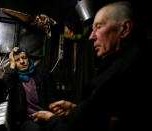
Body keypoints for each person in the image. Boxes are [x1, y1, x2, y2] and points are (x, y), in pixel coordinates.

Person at [32, 1, 151, 131]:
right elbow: (98, 113)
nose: (91, 37)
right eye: (92, 29)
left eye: (99, 27)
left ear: (125, 28)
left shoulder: (122, 71)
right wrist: (74, 109)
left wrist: (51, 119)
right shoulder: (120, 63)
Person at [3, 47, 58, 131]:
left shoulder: (42, 73)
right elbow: (5, 86)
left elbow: (52, 96)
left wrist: (51, 114)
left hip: (46, 114)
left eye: (24, 58)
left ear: (28, 59)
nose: (22, 61)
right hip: (27, 119)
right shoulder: (14, 78)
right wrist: (12, 64)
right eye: (17, 60)